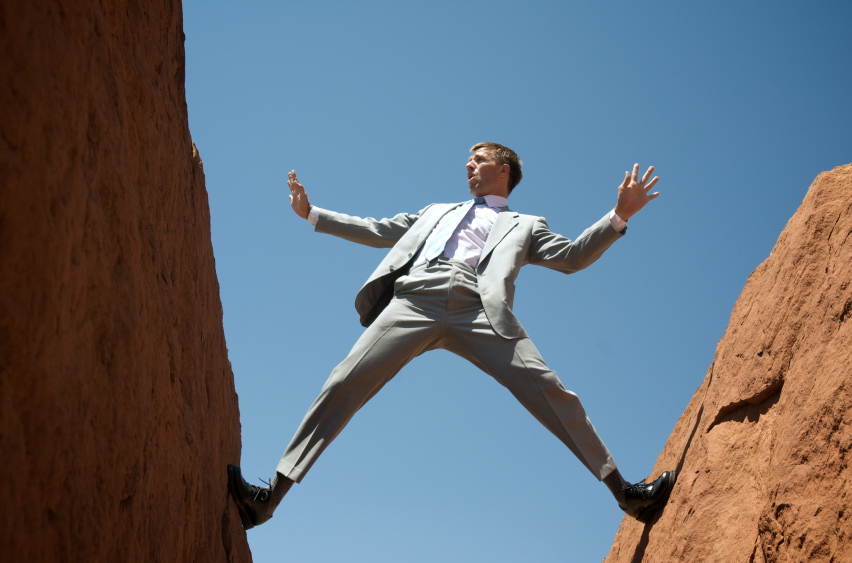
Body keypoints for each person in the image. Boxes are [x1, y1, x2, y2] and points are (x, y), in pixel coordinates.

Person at [228, 142, 676, 529]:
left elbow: (573, 256)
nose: (468, 166)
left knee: (551, 391)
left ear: (504, 170)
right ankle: (269, 498)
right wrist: (312, 213)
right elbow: (377, 229)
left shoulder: (525, 225)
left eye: (478, 159)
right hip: (413, 302)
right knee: (344, 382)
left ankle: (626, 494)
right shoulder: (435, 212)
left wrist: (619, 215)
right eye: (467, 160)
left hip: (481, 311)